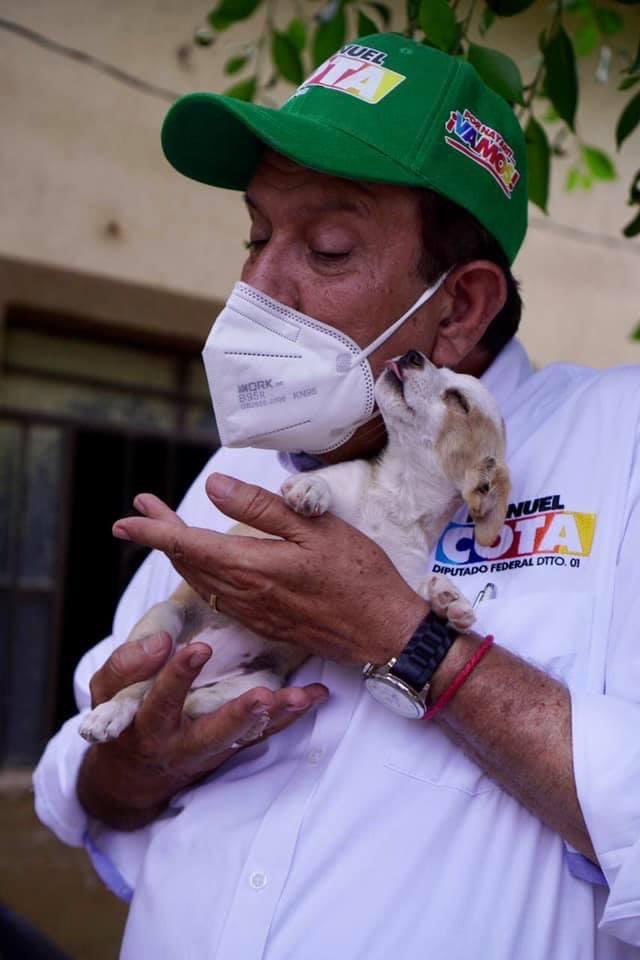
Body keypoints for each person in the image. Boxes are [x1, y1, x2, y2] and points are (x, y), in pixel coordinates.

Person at [34, 33, 640, 959]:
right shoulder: (229, 478)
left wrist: (408, 637)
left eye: (325, 247)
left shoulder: (618, 444)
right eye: (256, 234)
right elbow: (83, 778)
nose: (256, 287)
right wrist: (132, 761)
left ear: (461, 306)